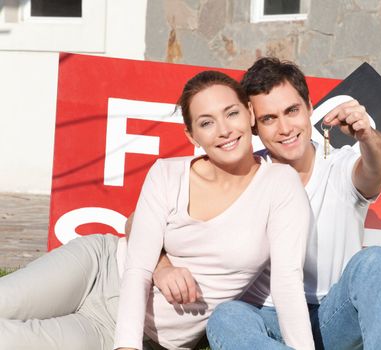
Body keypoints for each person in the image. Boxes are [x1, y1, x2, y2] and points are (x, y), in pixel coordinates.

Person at [0, 71, 315, 350]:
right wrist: (129, 345)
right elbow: (137, 268)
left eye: (231, 113)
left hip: (122, 331)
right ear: (192, 135)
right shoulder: (166, 173)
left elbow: (287, 283)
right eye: (207, 122)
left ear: (249, 114)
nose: (224, 130)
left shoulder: (280, 185)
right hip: (98, 267)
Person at [200, 57, 381, 349]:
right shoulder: (244, 175)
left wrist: (367, 136)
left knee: (376, 261)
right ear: (254, 126)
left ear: (309, 107)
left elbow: (377, 168)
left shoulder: (340, 166)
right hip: (267, 318)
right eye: (269, 118)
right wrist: (165, 265)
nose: (285, 128)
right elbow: (162, 219)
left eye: (291, 111)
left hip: (332, 316)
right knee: (226, 316)